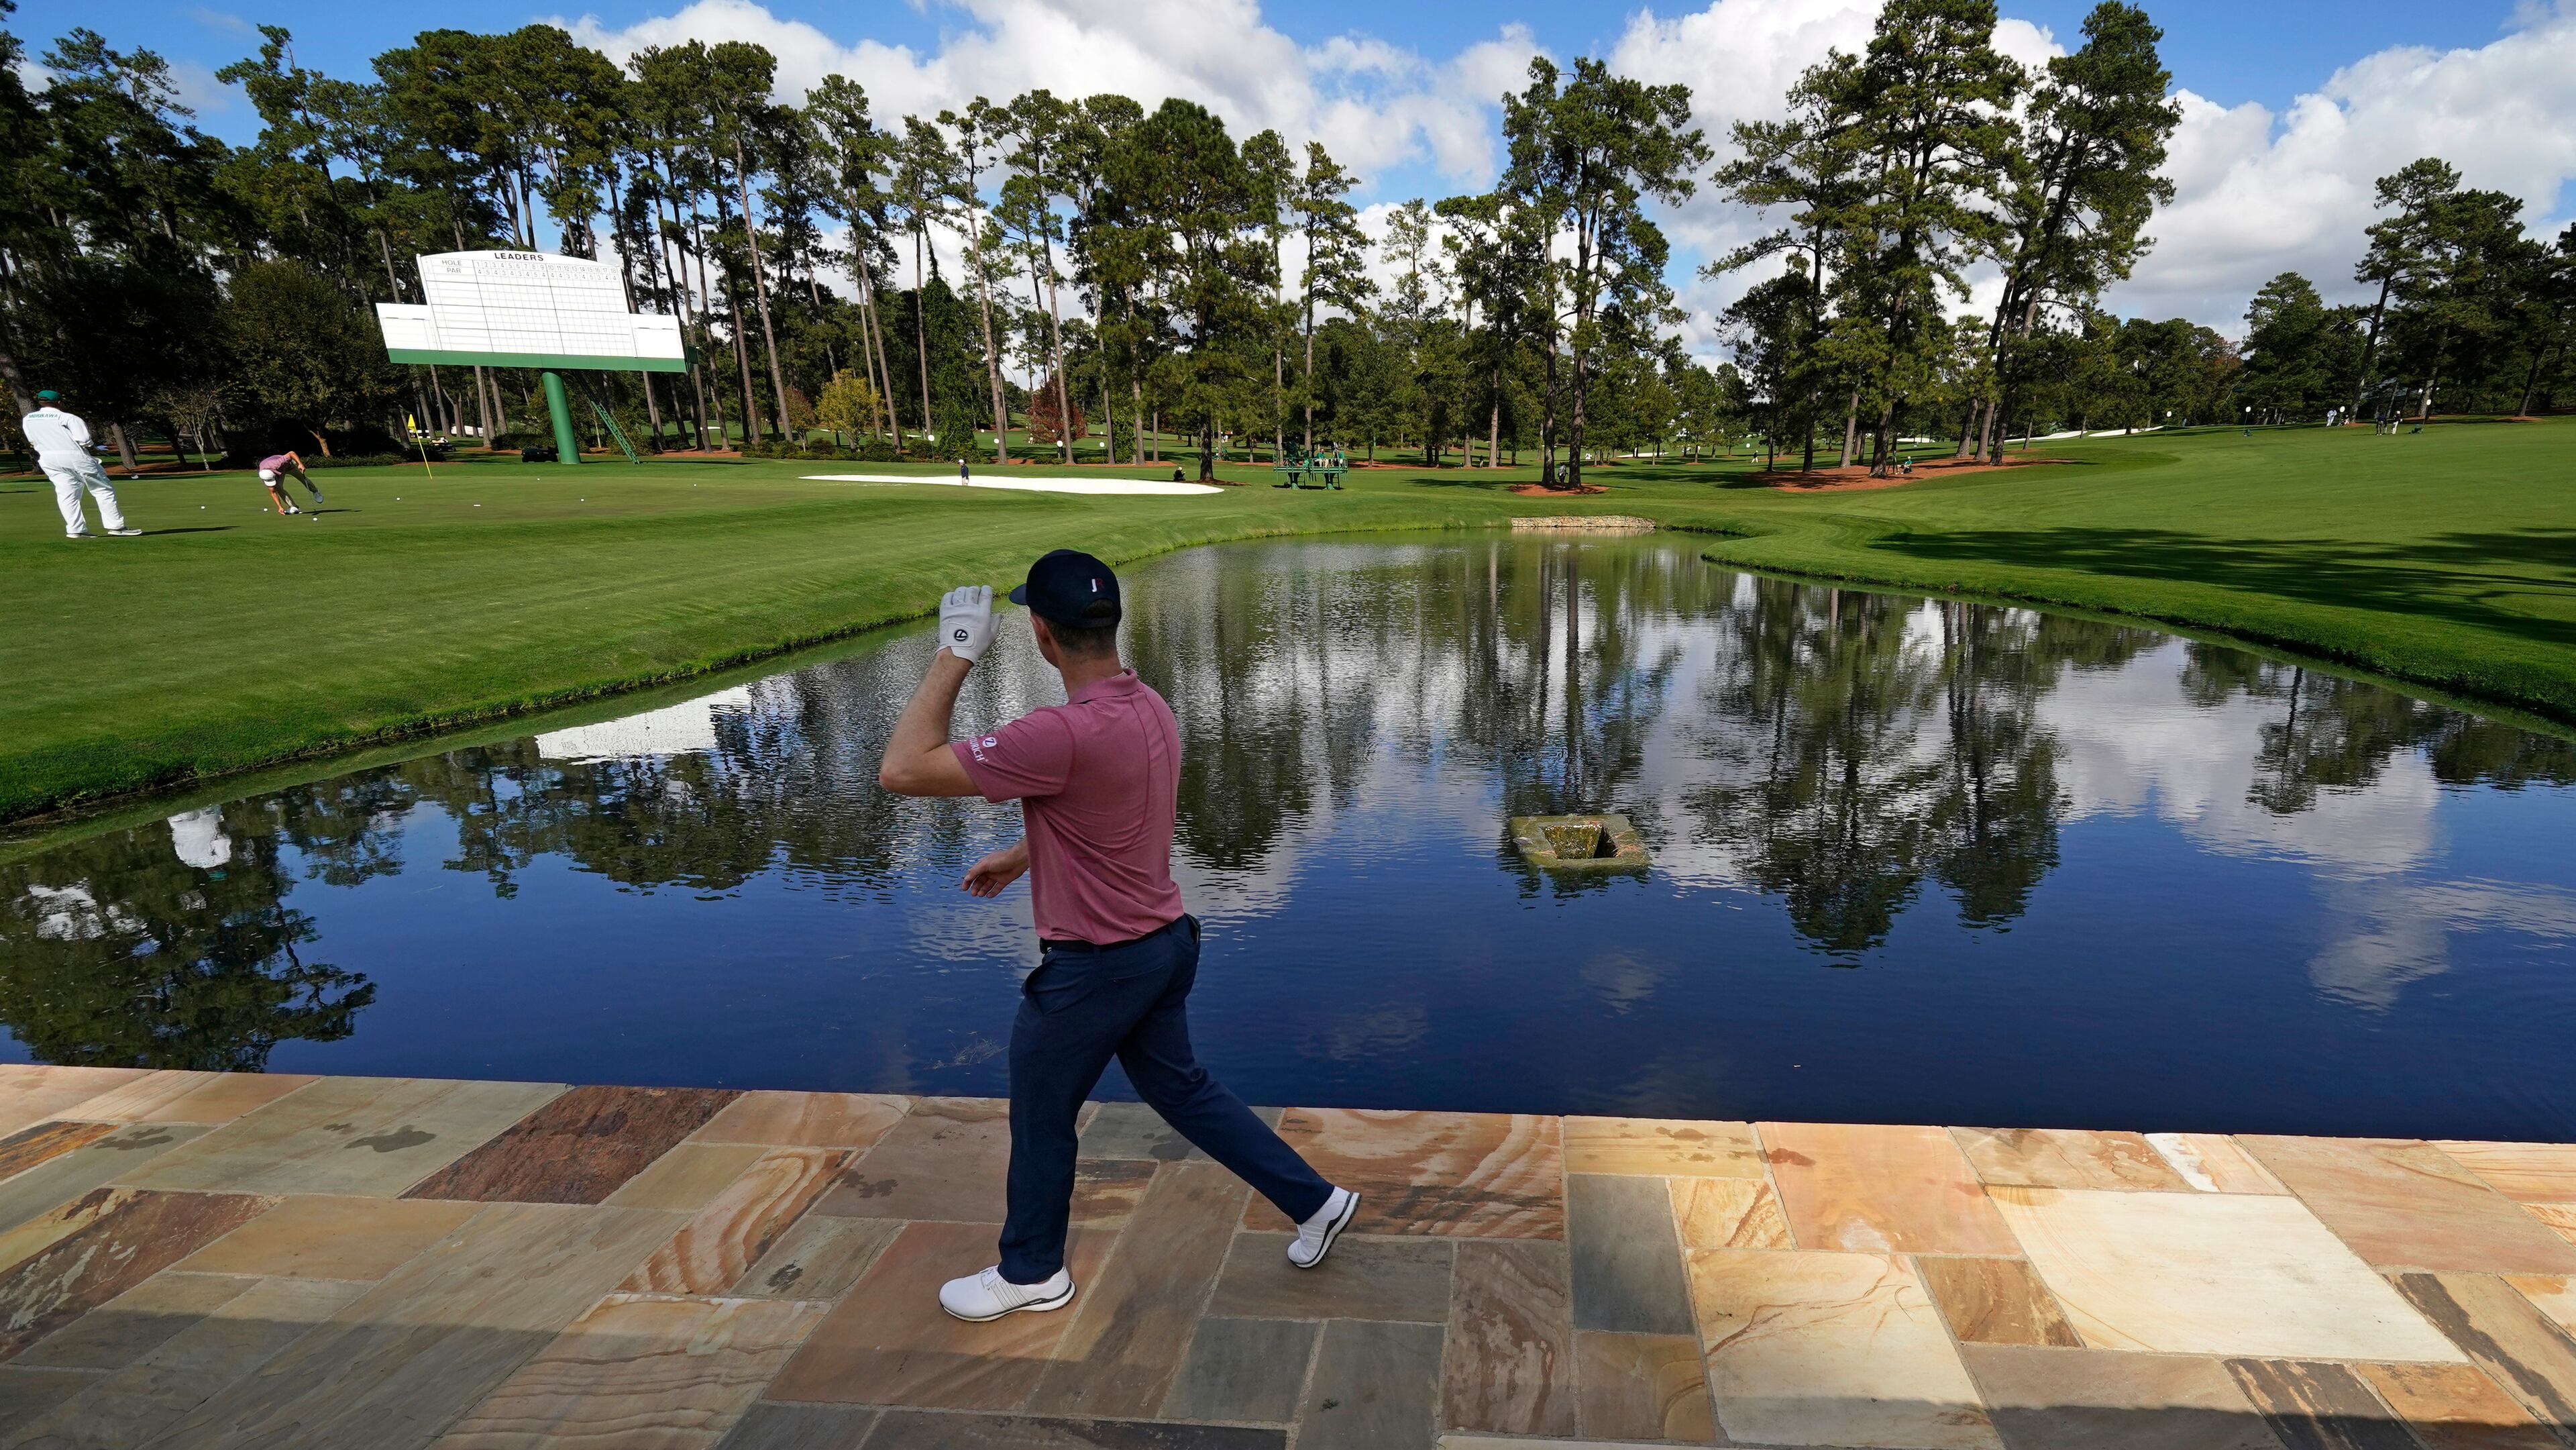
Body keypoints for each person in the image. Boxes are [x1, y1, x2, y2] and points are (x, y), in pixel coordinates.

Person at [877, 550, 1358, 1322]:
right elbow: (1099, 804)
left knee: (1040, 1113)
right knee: (1182, 1089)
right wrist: (1020, 854)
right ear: (1110, 622)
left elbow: (902, 769)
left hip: (1096, 969)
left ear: (1040, 633)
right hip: (1165, 947)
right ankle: (1317, 1201)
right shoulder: (1150, 707)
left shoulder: (1054, 732)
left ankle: (1032, 1270)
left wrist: (953, 655)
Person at [21, 390, 138, 539]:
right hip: (75, 457)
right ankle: (117, 527)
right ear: (59, 403)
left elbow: (32, 440)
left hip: (48, 459)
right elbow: (84, 440)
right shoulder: (68, 417)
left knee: (67, 494)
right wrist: (91, 445)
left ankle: (76, 529)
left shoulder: (28, 419)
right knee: (103, 490)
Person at [256, 450, 324, 515]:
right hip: (277, 471)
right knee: (278, 487)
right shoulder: (264, 475)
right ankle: (294, 507)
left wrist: (300, 464)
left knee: (302, 478)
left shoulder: (278, 463)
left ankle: (315, 491)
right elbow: (273, 492)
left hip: (289, 466)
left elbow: (291, 453)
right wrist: (280, 507)